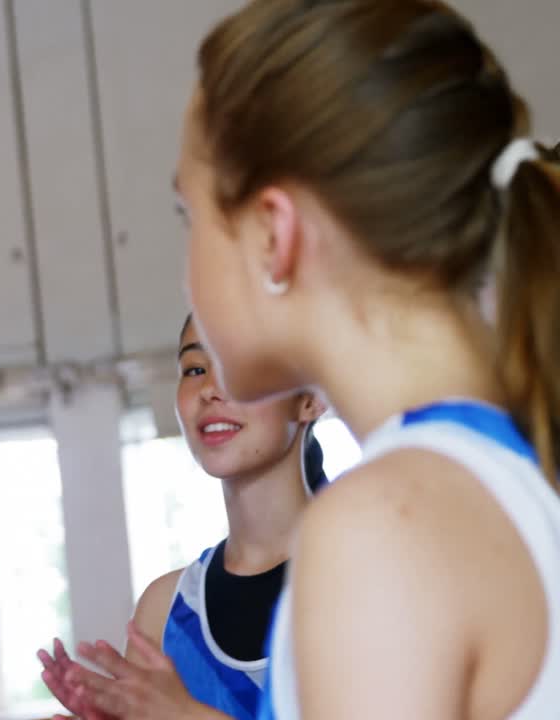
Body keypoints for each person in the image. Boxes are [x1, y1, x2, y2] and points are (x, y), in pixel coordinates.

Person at [185, 1, 560, 716]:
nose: (185, 270)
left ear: (274, 232)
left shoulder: (384, 526)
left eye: (190, 216)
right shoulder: (498, 472)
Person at [39, 314, 325, 720]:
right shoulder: (164, 610)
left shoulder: (374, 573)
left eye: (237, 364)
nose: (209, 388)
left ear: (311, 397)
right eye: (194, 369)